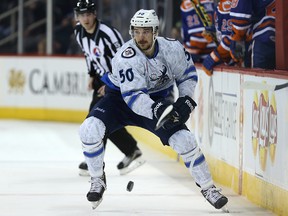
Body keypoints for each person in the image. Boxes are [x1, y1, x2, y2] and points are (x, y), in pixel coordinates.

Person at [78, 9, 228, 210]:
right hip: (119, 100)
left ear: (156, 31)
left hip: (158, 99)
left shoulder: (172, 49)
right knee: (89, 129)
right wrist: (158, 110)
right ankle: (97, 179)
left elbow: (187, 75)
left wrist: (185, 99)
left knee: (186, 141)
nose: (141, 37)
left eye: (146, 31)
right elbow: (133, 97)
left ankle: (209, 188)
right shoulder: (126, 57)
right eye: (137, 31)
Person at [73, 0, 145, 176]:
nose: (85, 18)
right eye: (82, 15)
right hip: (100, 81)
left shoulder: (108, 34)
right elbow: (87, 54)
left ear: (95, 14)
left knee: (96, 119)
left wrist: (111, 84)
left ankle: (95, 161)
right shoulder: (78, 31)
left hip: (114, 81)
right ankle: (131, 150)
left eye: (88, 14)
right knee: (102, 120)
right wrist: (91, 75)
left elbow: (123, 60)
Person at [229, 0, 275, 69]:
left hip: (262, 40)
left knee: (260, 78)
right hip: (284, 37)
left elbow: (240, 22)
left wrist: (237, 39)